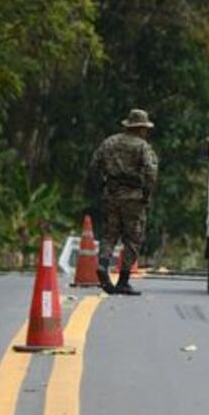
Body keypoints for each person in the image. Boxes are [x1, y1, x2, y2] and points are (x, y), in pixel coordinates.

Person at [87, 109, 159, 295]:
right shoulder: (143, 147)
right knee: (133, 239)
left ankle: (103, 264)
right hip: (133, 198)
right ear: (141, 128)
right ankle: (123, 281)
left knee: (110, 234)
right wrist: (146, 193)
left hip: (110, 195)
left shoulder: (109, 142)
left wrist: (101, 185)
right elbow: (151, 172)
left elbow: (94, 165)